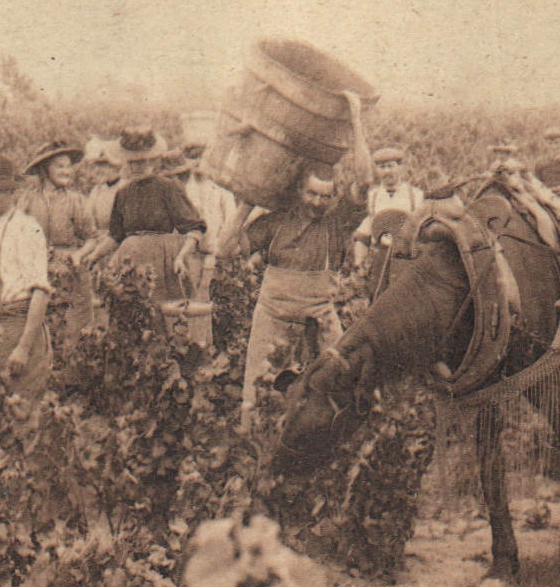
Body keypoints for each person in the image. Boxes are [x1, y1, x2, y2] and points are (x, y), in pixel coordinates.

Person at [236, 158, 372, 433]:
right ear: (299, 190)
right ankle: (252, 445)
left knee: (343, 380)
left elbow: (366, 180)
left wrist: (356, 118)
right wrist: (245, 206)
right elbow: (225, 249)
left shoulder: (338, 221)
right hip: (273, 315)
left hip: (319, 316)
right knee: (256, 390)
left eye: (326, 196)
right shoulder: (274, 222)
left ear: (333, 197)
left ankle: (332, 441)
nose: (318, 202)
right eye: (312, 193)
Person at [0, 154, 53, 439]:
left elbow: (40, 292)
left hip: (19, 327)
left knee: (24, 415)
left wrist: (24, 347)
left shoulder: (26, 228)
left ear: (13, 193)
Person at [105, 127, 206, 326]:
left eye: (143, 161)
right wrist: (92, 257)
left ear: (153, 160)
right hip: (130, 264)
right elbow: (115, 236)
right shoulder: (123, 193)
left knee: (165, 321)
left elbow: (194, 229)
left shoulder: (168, 187)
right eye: (133, 162)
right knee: (131, 319)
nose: (138, 166)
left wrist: (181, 256)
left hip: (163, 263)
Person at [18, 140, 97, 346]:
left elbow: (91, 238)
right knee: (38, 332)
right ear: (45, 170)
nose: (66, 171)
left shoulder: (76, 200)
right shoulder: (28, 200)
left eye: (68, 166)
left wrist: (79, 255)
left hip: (69, 271)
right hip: (35, 270)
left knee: (72, 332)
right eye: (59, 166)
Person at [350, 144, 424, 269]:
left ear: (400, 167)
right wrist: (358, 264)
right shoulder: (372, 195)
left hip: (406, 259)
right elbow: (364, 232)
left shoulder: (416, 195)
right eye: (382, 167)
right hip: (379, 257)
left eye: (391, 166)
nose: (386, 171)